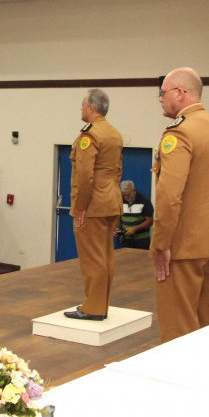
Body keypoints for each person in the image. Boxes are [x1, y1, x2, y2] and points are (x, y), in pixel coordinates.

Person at [152, 68, 209, 343]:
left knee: (178, 325)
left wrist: (161, 243)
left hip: (182, 245)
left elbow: (169, 195)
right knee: (202, 319)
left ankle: (178, 370)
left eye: (162, 93)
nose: (160, 99)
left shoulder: (180, 132)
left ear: (180, 93)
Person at [63, 89, 123, 321]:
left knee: (92, 259)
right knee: (106, 257)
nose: (81, 108)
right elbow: (117, 170)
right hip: (111, 201)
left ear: (91, 107)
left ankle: (94, 307)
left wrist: (80, 206)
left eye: (82, 104)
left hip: (92, 205)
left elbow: (85, 175)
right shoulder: (114, 132)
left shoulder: (89, 135)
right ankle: (100, 303)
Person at [118, 180, 154, 250]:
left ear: (133, 191)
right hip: (126, 240)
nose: (126, 197)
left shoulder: (144, 201)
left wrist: (135, 229)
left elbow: (150, 221)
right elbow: (118, 217)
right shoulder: (120, 200)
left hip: (142, 240)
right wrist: (117, 228)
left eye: (128, 195)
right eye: (123, 195)